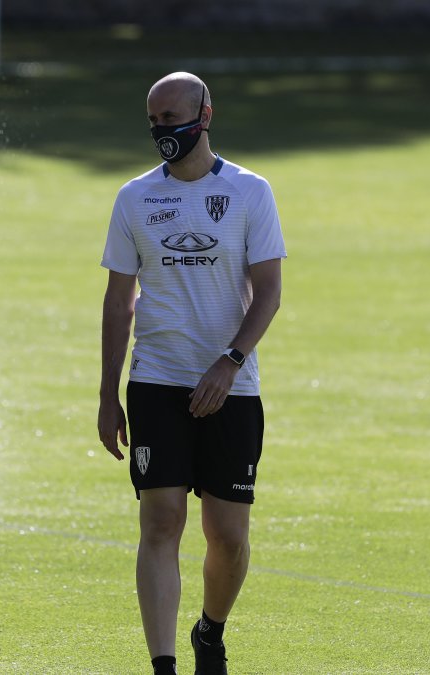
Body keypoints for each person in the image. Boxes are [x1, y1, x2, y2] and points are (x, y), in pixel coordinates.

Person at [97, 72, 286, 675]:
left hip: (232, 386)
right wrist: (108, 395)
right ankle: (164, 665)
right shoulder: (133, 199)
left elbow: (269, 293)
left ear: (205, 115)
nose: (163, 131)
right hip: (155, 382)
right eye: (154, 121)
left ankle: (211, 629)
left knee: (226, 535)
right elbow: (118, 301)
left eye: (172, 118)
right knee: (161, 522)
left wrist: (228, 365)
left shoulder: (250, 192)